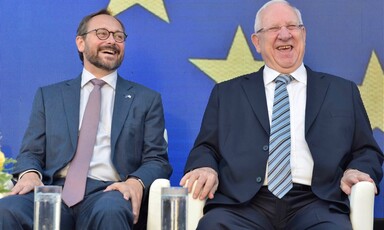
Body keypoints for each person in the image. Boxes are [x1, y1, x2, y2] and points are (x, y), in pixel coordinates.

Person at [180, 0, 383, 229]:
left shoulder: (342, 91)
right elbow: (206, 147)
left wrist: (358, 169)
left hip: (316, 203)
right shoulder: (227, 93)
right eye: (274, 28)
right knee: (213, 226)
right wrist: (204, 167)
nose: (284, 34)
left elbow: (367, 150)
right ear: (257, 41)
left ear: (303, 34)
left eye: (292, 26)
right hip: (243, 204)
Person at [0, 9, 172, 230]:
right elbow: (31, 152)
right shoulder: (49, 96)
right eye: (102, 34)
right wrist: (31, 175)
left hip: (109, 192)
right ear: (80, 43)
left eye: (118, 36)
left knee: (111, 211)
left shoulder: (146, 99)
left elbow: (157, 160)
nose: (112, 41)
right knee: (7, 209)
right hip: (53, 191)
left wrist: (134, 182)